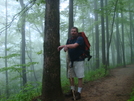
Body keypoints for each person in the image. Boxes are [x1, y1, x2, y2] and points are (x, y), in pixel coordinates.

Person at [57, 27, 85, 100]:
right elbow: (66, 49)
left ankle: (78, 93)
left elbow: (74, 46)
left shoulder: (80, 38)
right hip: (71, 60)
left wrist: (63, 46)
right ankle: (72, 91)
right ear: (70, 32)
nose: (73, 32)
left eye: (74, 31)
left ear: (77, 32)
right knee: (70, 76)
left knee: (79, 77)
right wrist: (65, 48)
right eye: (72, 31)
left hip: (79, 60)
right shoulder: (69, 40)